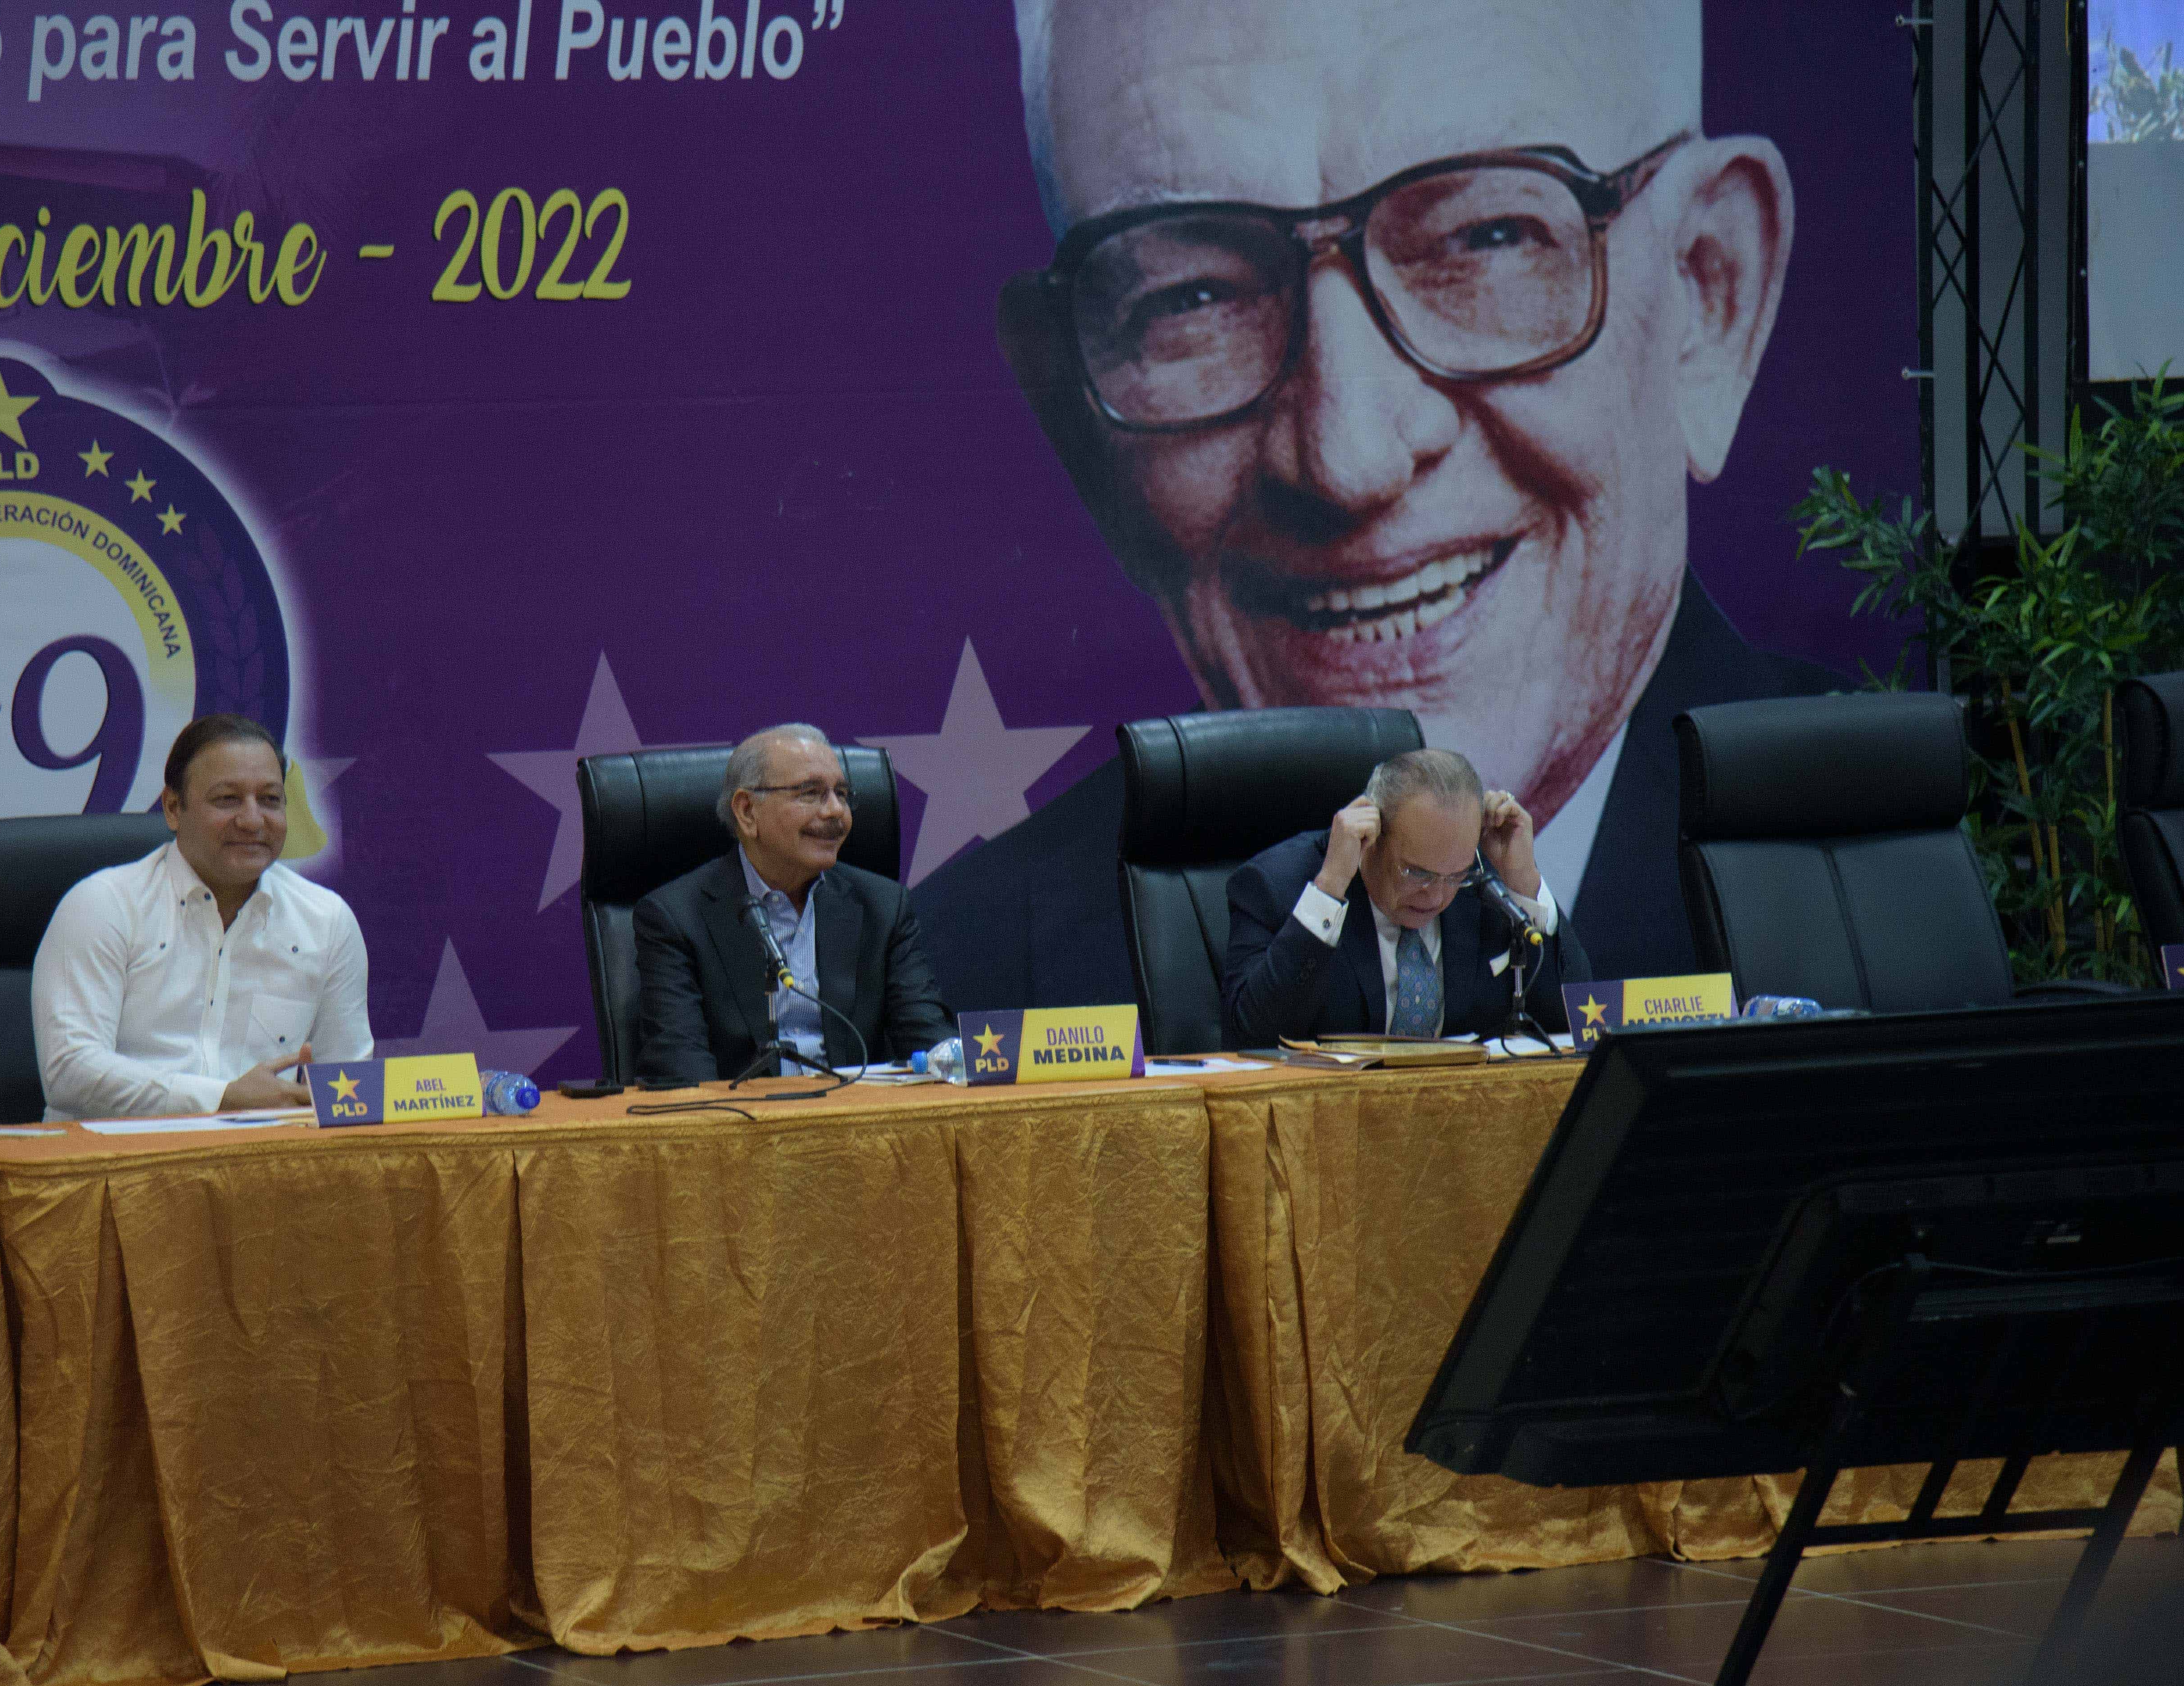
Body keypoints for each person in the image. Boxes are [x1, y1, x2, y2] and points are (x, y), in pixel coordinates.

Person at [914, 0, 1833, 1008]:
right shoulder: (987, 962)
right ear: (1077, 409)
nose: (1346, 458)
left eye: (1482, 240)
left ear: (1709, 293)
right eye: (1194, 298)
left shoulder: (1841, 870)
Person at [33, 713, 373, 1118]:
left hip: (262, 1166)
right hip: (114, 1165)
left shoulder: (327, 920)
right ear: (174, 809)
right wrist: (222, 1098)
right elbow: (70, 1073)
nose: (252, 821)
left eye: (270, 800)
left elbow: (348, 1085)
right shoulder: (104, 905)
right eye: (228, 799)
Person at [633, 724, 957, 1082]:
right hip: (746, 1127)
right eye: (811, 794)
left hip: (859, 1126)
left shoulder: (883, 907)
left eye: (843, 794)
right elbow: (683, 1076)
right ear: (747, 812)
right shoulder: (675, 917)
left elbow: (932, 1045)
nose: (836, 812)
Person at [1224, 749, 1586, 1045]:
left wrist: (1523, 882)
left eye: (1453, 877)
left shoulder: (1476, 883)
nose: (1437, 895)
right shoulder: (1277, 886)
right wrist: (1331, 887)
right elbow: (1251, 1039)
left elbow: (1579, 1022)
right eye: (1417, 873)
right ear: (1372, 833)